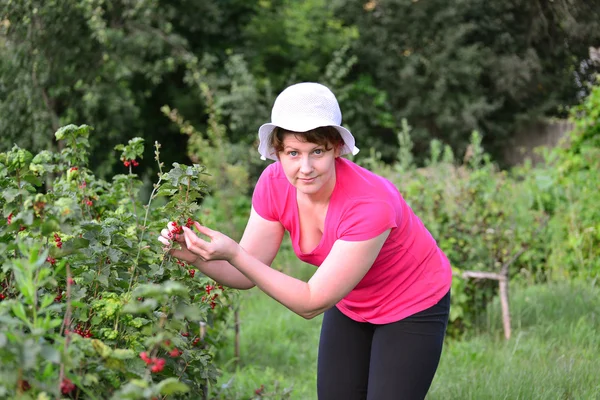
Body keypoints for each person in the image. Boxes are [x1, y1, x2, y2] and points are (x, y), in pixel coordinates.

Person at [158, 82, 452, 400]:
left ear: (336, 148)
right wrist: (193, 255)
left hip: (411, 303)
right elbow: (243, 273)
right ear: (277, 152)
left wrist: (234, 253)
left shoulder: (370, 203)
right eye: (293, 153)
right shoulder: (274, 184)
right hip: (352, 301)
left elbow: (311, 302)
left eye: (317, 152)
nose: (306, 168)